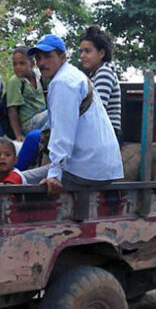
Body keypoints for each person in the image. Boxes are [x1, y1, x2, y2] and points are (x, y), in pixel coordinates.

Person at [22, 34, 123, 194]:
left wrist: (54, 174)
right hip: (101, 166)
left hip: (87, 168)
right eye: (39, 58)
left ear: (63, 57)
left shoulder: (63, 82)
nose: (42, 63)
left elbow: (63, 131)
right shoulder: (74, 75)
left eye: (48, 56)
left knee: (18, 181)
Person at [79, 25, 121, 138]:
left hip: (106, 133)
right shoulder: (95, 74)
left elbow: (95, 108)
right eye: (81, 51)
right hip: (100, 130)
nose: (82, 56)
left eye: (87, 51)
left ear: (101, 53)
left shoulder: (104, 73)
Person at [5, 46, 47, 142]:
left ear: (32, 63)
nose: (18, 67)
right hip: (29, 123)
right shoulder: (15, 81)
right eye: (15, 64)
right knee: (53, 113)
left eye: (22, 63)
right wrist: (18, 135)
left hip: (42, 118)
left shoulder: (39, 77)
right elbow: (12, 111)